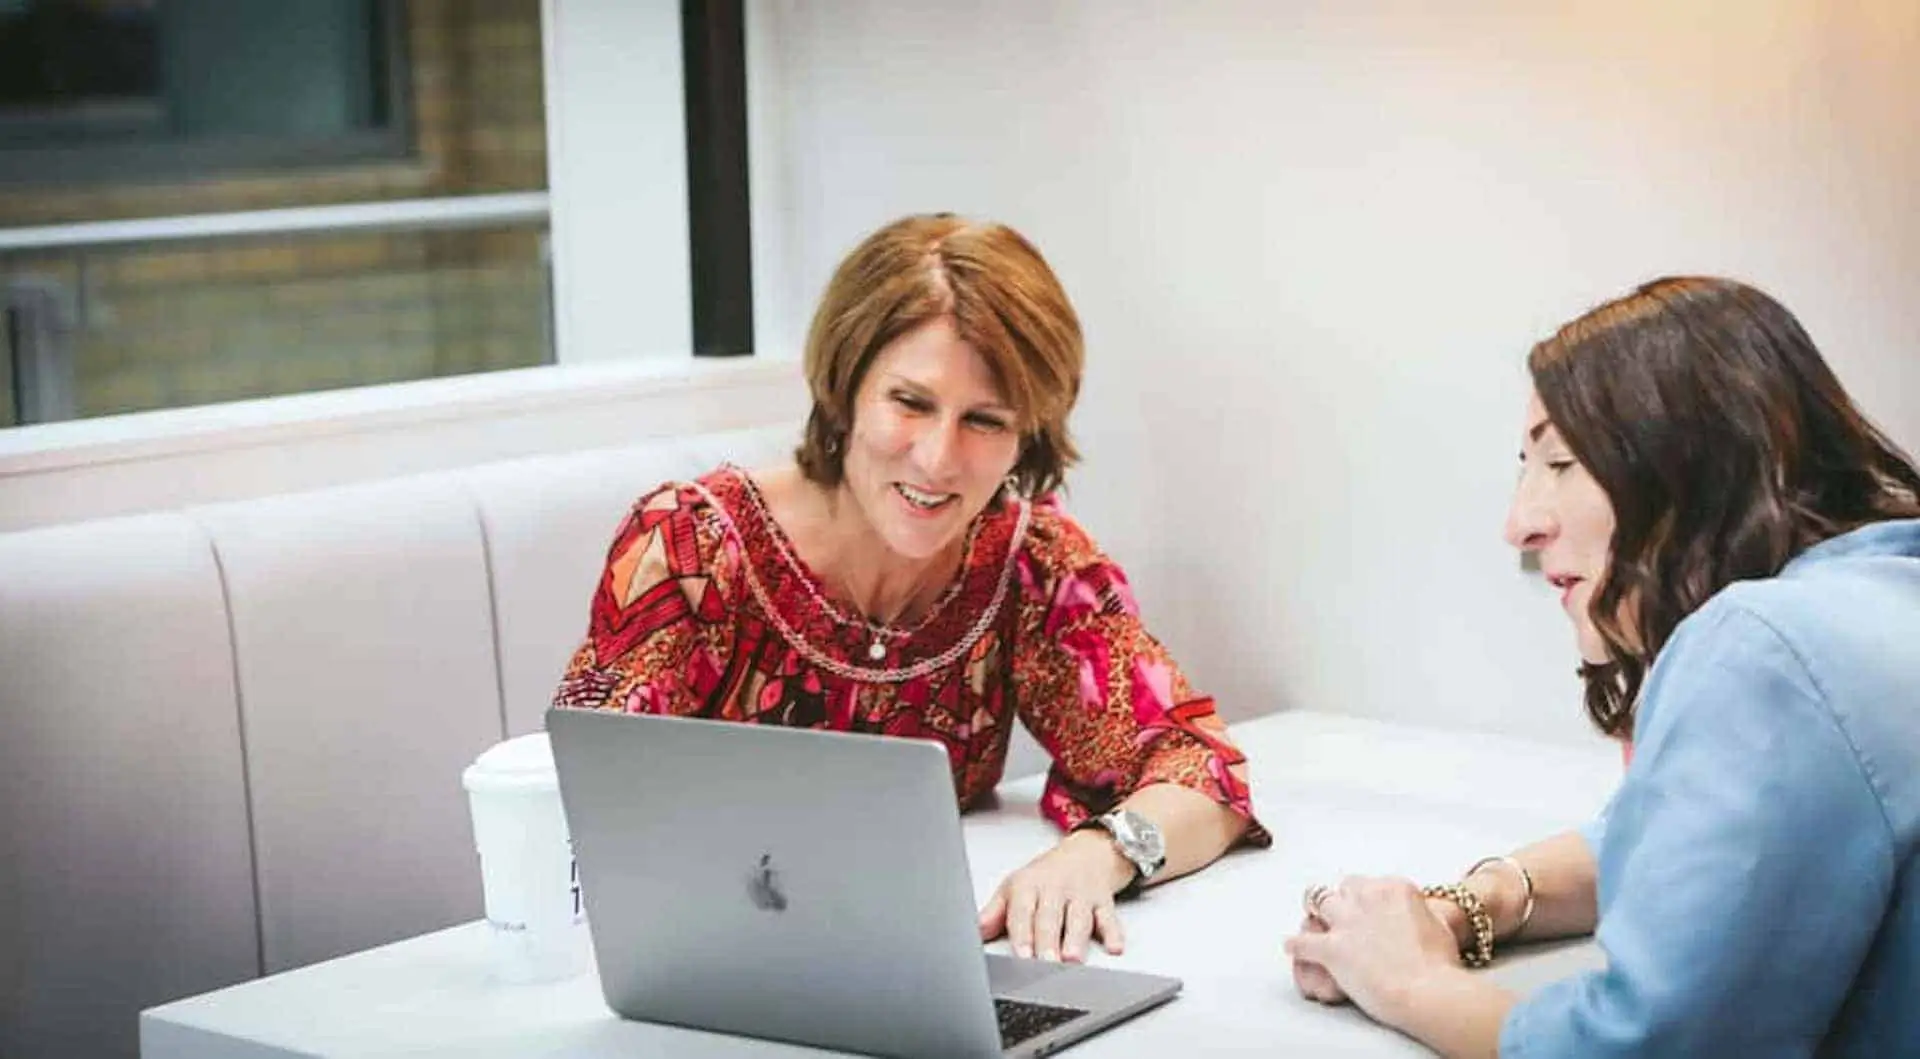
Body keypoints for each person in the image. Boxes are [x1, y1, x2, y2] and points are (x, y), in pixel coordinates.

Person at [554, 213, 1267, 965]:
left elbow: (1202, 768)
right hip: (707, 971)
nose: (937, 459)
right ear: (845, 386)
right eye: (911, 402)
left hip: (924, 968)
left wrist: (1101, 852)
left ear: (1029, 431)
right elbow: (584, 805)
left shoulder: (1033, 562)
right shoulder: (692, 551)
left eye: (984, 420)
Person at [1285, 276, 1920, 1057]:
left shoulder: (1766, 646)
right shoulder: (1877, 592)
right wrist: (1474, 901)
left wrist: (1410, 979)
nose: (1519, 524)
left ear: (1685, 460)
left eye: (1560, 463)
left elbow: (1644, 1047)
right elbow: (1690, 842)